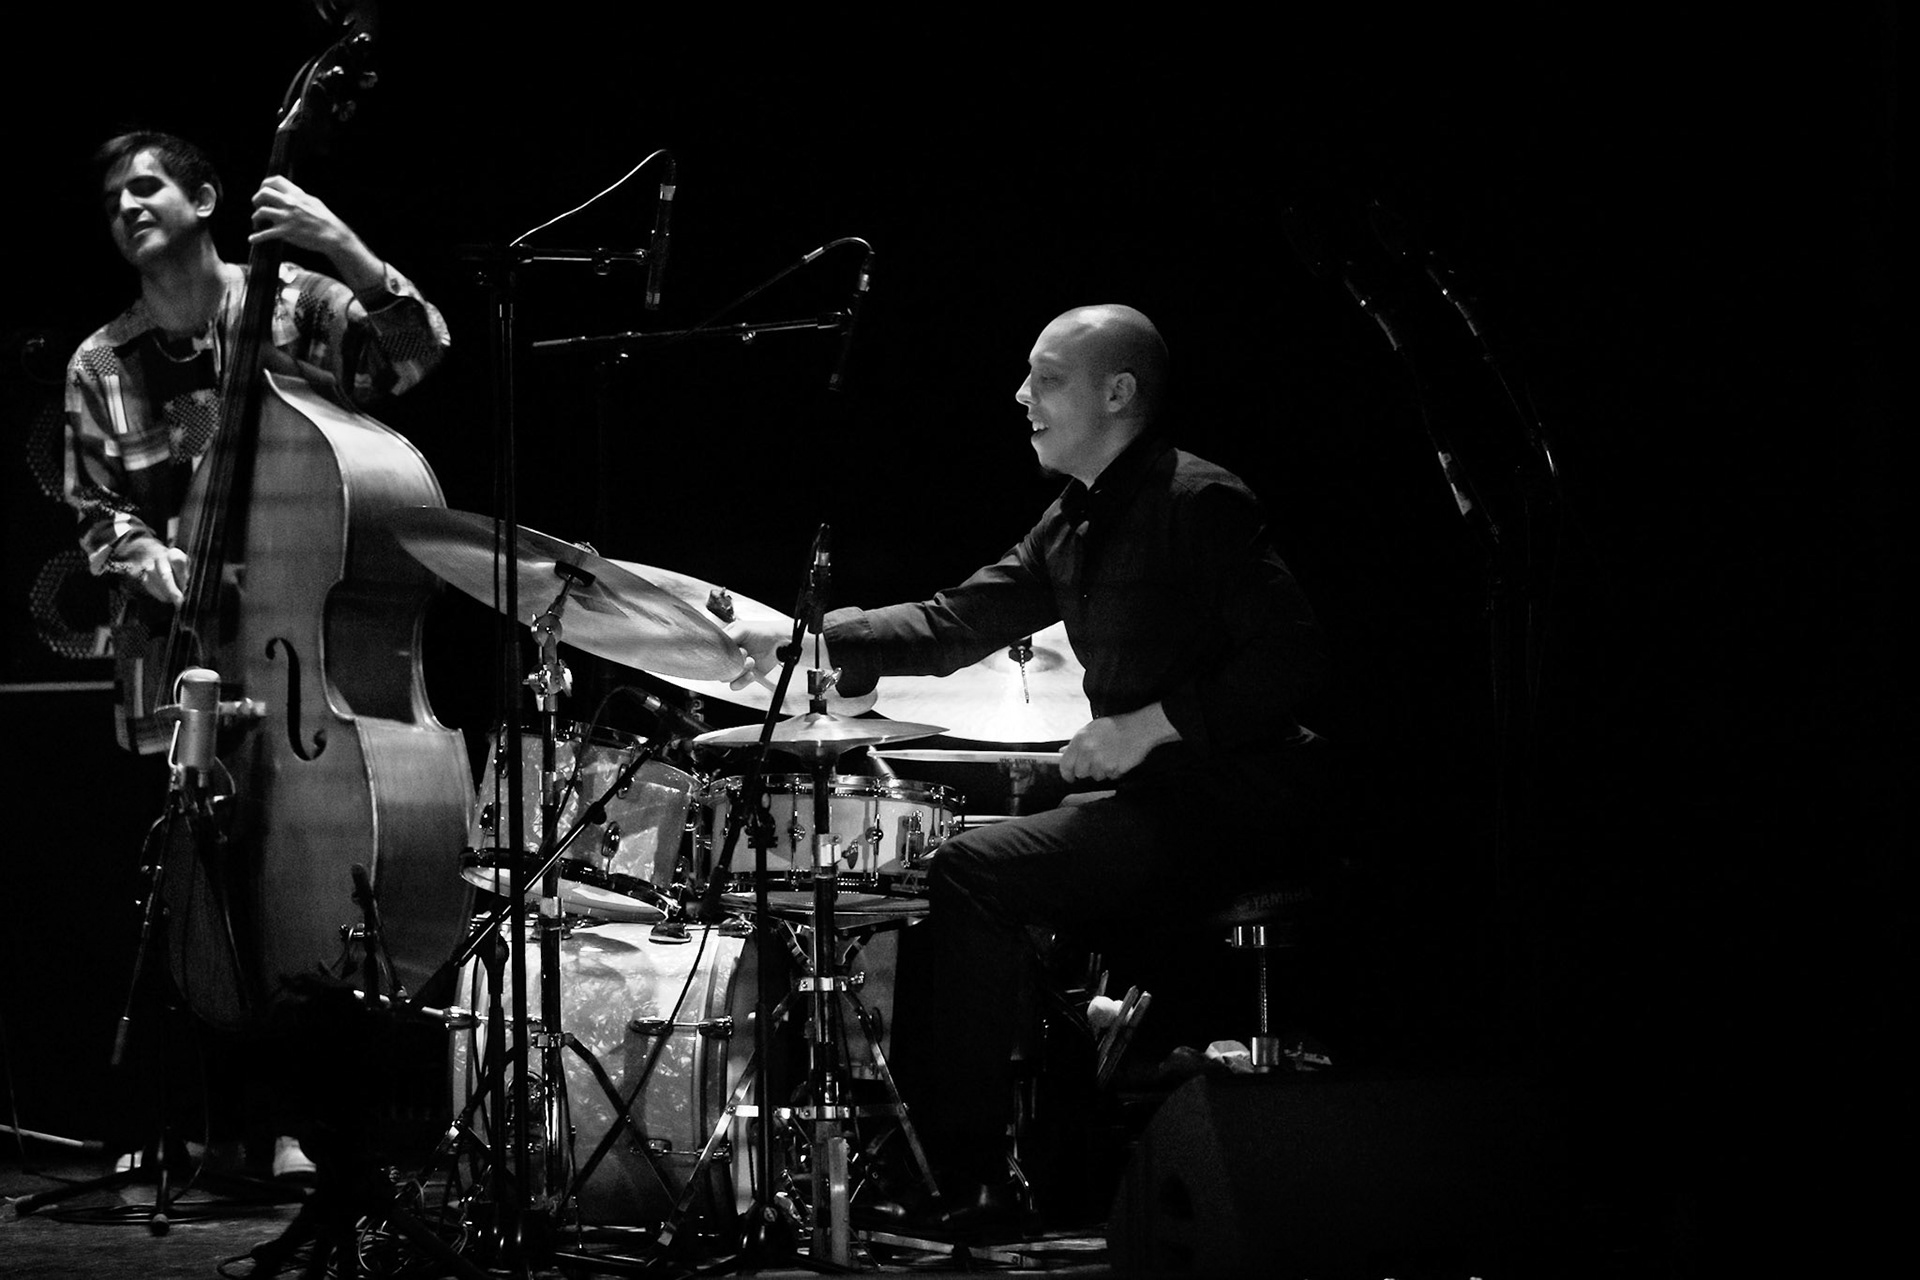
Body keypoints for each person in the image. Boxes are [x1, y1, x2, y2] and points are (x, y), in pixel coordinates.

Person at [725, 303, 1330, 1227]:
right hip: (1156, 801)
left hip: (1235, 801)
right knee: (951, 855)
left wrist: (1149, 727)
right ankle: (1039, 1134)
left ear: (1118, 393)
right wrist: (821, 638)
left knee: (975, 870)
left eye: (1046, 379)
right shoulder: (1070, 522)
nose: (1021, 396)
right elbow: (958, 621)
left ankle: (965, 1178)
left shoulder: (1199, 502)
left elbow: (1293, 657)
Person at [62, 130, 450, 1180]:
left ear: (203, 199)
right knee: (192, 882)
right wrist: (154, 559)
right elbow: (97, 512)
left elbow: (416, 356)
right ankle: (205, 1122)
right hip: (180, 655)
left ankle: (302, 1114)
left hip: (301, 664)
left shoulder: (293, 306)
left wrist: (344, 249)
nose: (128, 206)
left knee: (306, 877)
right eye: (113, 198)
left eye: (148, 186)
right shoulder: (100, 363)